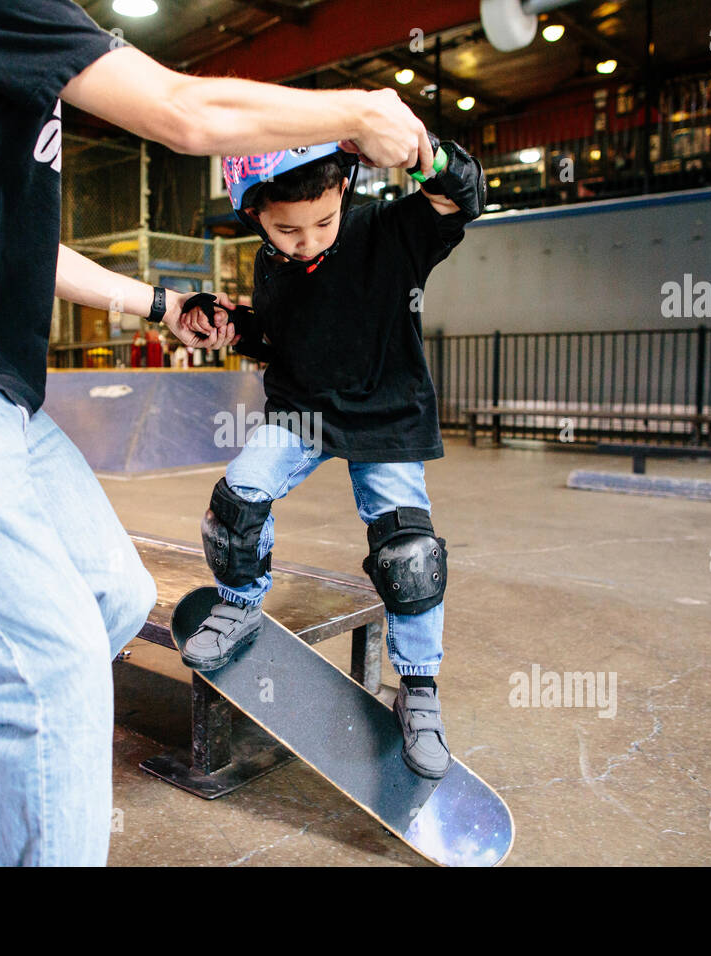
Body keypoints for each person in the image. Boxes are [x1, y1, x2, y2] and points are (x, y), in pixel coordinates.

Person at [0, 0, 432, 866]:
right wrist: (354, 112)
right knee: (50, 670)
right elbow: (181, 111)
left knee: (114, 601)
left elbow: (28, 245)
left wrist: (160, 305)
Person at [179, 139, 485, 779]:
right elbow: (286, 334)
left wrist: (420, 149)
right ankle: (239, 605)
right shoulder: (271, 264)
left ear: (344, 191)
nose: (307, 241)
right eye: (286, 230)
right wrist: (236, 324)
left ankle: (419, 691)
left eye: (323, 221)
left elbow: (465, 195)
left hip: (386, 414)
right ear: (254, 213)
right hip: (302, 412)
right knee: (235, 505)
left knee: (410, 555)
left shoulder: (390, 231)